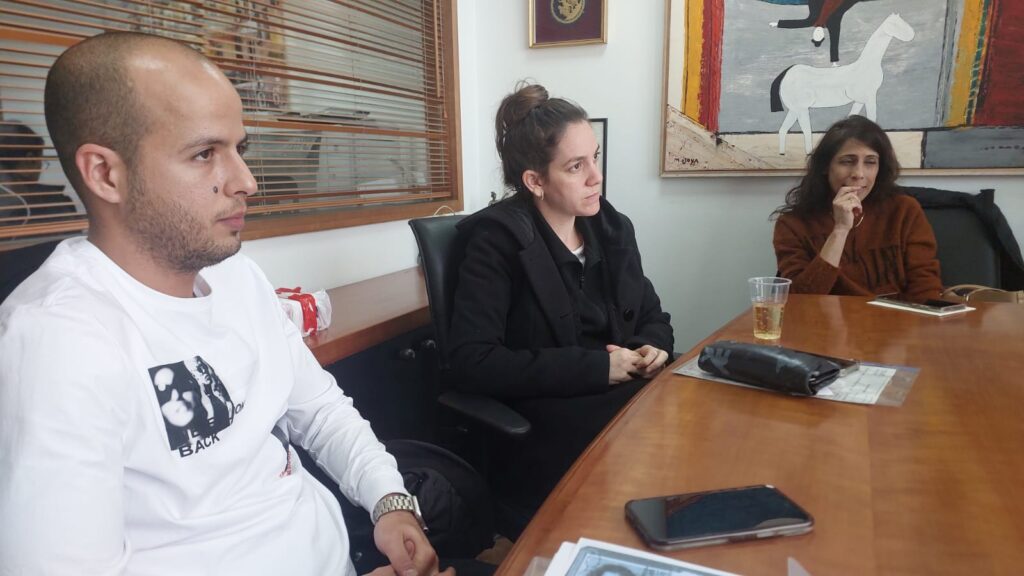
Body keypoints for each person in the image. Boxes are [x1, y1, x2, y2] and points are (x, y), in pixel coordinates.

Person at [0, 32, 450, 576]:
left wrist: (389, 501)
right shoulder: (57, 340)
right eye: (204, 154)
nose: (247, 182)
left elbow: (321, 412)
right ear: (105, 174)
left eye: (241, 149)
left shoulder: (238, 277)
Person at [448, 83, 674, 518]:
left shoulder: (612, 228)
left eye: (595, 158)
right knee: (668, 442)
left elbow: (652, 314)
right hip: (552, 413)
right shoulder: (496, 243)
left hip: (621, 393)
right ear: (535, 181)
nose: (596, 177)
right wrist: (598, 368)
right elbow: (472, 361)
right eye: (576, 166)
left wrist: (652, 346)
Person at [771, 115, 942, 302]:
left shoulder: (904, 211)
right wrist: (840, 230)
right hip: (824, 319)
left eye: (870, 162)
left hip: (897, 318)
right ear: (825, 167)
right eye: (847, 161)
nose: (859, 174)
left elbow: (925, 290)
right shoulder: (792, 224)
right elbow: (800, 300)